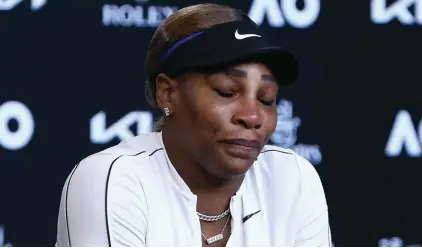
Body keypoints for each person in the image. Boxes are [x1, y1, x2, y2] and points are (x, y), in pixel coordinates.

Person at [55, 3, 331, 247]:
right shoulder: (114, 178)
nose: (253, 116)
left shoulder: (293, 179)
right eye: (226, 91)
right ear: (167, 93)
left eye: (266, 99)